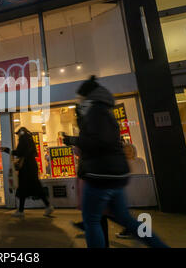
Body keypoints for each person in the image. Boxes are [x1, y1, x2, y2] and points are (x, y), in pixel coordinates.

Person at [62, 76, 168, 248]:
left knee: (92, 221)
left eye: (80, 97)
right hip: (115, 174)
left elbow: (97, 142)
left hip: (100, 175)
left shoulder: (95, 112)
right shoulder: (104, 110)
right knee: (125, 219)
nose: (78, 101)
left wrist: (75, 140)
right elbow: (103, 140)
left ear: (87, 96)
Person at [0, 127, 54, 218]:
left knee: (23, 188)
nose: (17, 136)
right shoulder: (30, 140)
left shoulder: (23, 140)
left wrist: (6, 150)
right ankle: (47, 206)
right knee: (35, 188)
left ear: (21, 133)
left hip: (26, 168)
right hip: (32, 166)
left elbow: (19, 152)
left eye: (18, 134)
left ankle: (21, 211)